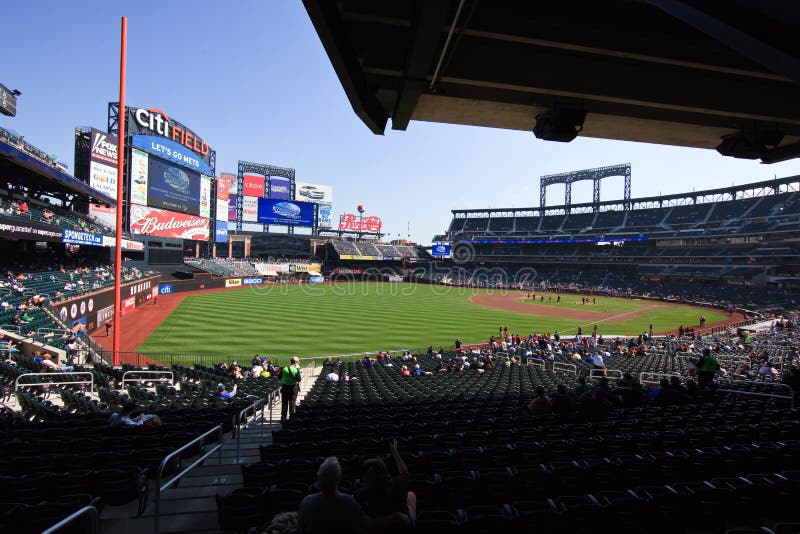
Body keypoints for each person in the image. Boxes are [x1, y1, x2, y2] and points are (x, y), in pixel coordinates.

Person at [356, 440, 415, 530]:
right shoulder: (398, 484)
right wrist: (395, 451)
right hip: (401, 526)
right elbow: (404, 472)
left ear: (365, 478)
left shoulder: (361, 494)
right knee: (411, 495)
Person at [298, 457, 368, 533]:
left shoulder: (307, 502)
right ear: (338, 479)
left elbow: (301, 528)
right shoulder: (349, 502)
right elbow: (364, 526)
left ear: (319, 478)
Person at [280, 357, 302, 421]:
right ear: (295, 362)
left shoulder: (284, 368)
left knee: (284, 403)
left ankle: (283, 417)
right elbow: (299, 379)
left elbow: (279, 376)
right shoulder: (296, 370)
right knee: (292, 402)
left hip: (285, 387)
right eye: (297, 362)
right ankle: (291, 418)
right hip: (293, 388)